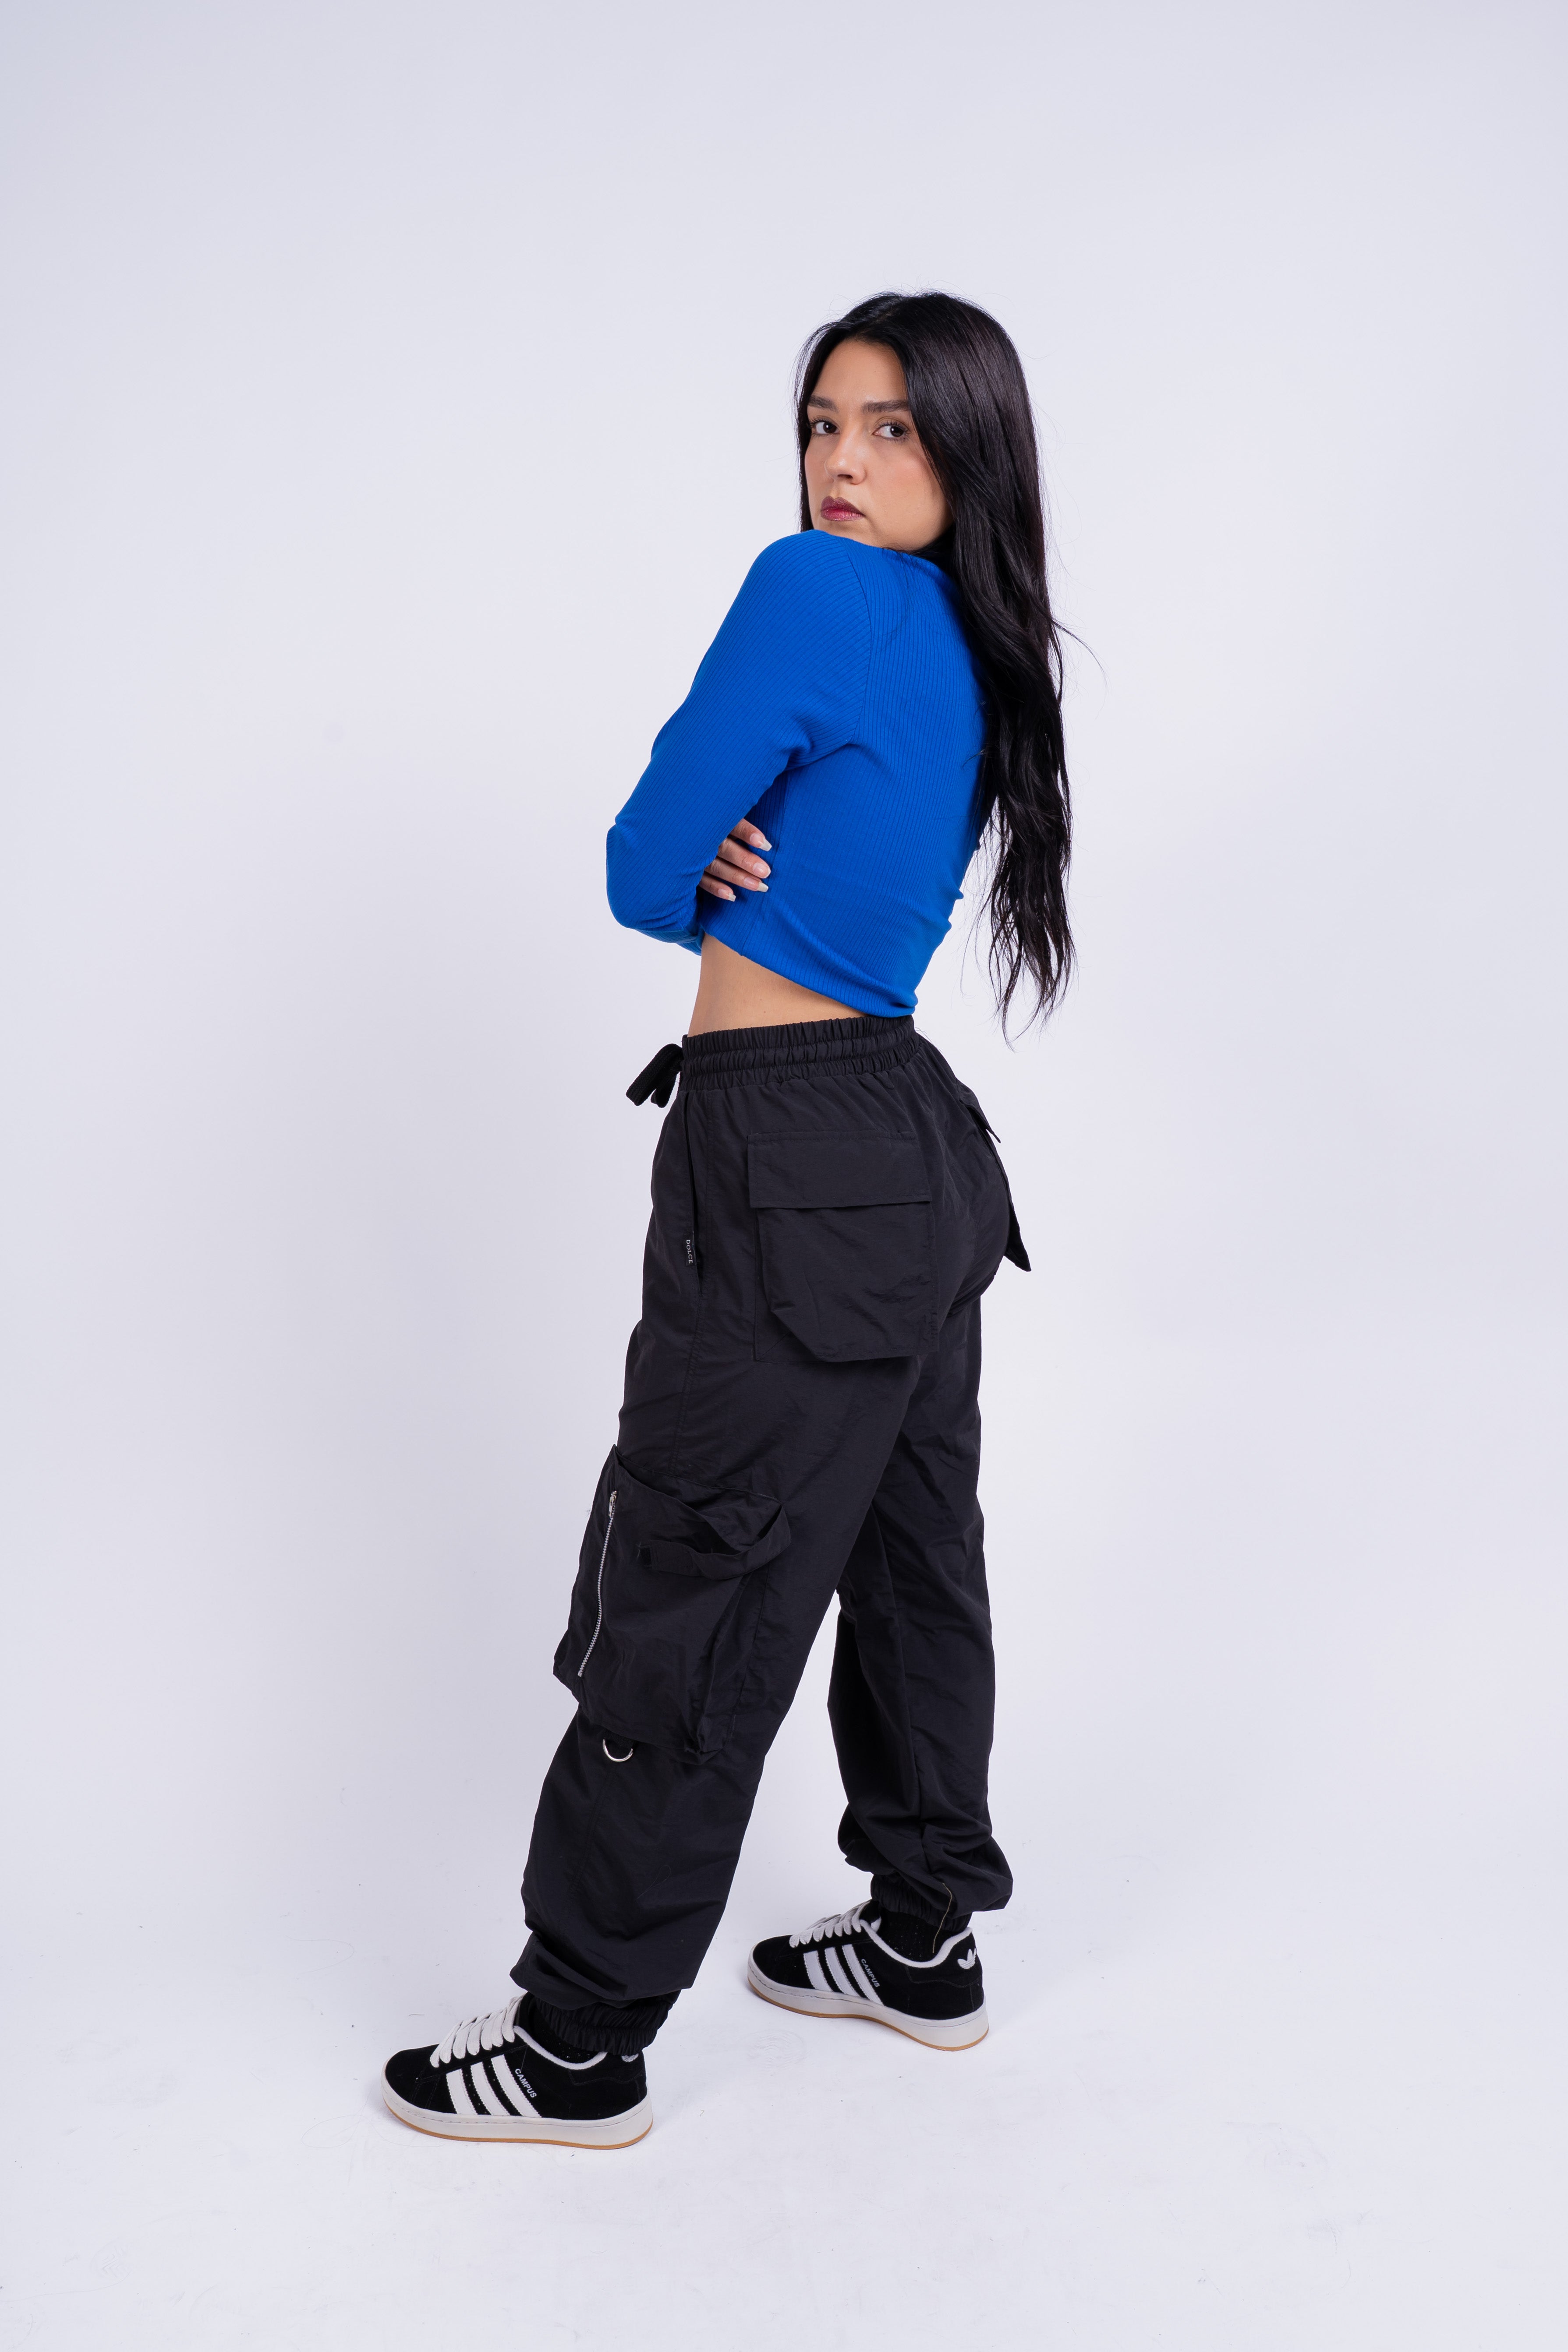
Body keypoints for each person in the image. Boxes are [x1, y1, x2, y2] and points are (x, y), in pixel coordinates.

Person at [382, 290, 1073, 2147]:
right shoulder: (982, 644)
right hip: (914, 1147)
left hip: (784, 1147)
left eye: (891, 428)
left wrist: (703, 861)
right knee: (912, 1560)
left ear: (967, 449)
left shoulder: (814, 591)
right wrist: (730, 852)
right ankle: (924, 1937)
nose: (842, 460)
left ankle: (576, 2041)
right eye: (821, 424)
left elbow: (637, 863)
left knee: (699, 1565)